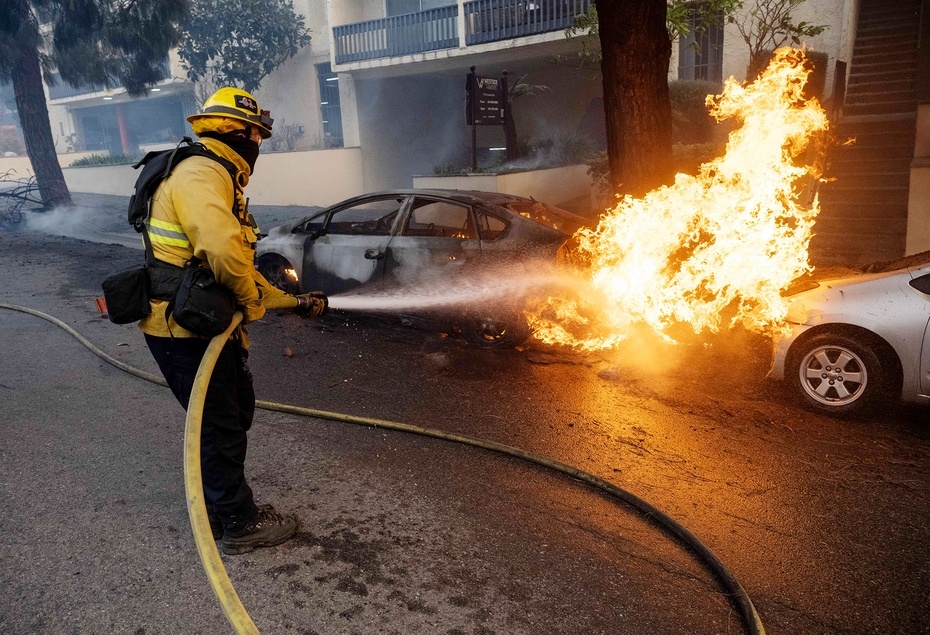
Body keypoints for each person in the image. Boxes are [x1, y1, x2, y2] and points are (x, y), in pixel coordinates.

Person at [138, 87, 327, 555]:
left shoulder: (215, 174)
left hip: (198, 321)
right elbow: (222, 252)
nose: (258, 147)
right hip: (184, 328)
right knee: (219, 424)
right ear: (238, 133)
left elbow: (238, 268)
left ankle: (219, 510)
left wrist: (295, 303)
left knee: (233, 412)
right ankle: (239, 524)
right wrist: (253, 302)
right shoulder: (203, 173)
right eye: (256, 138)